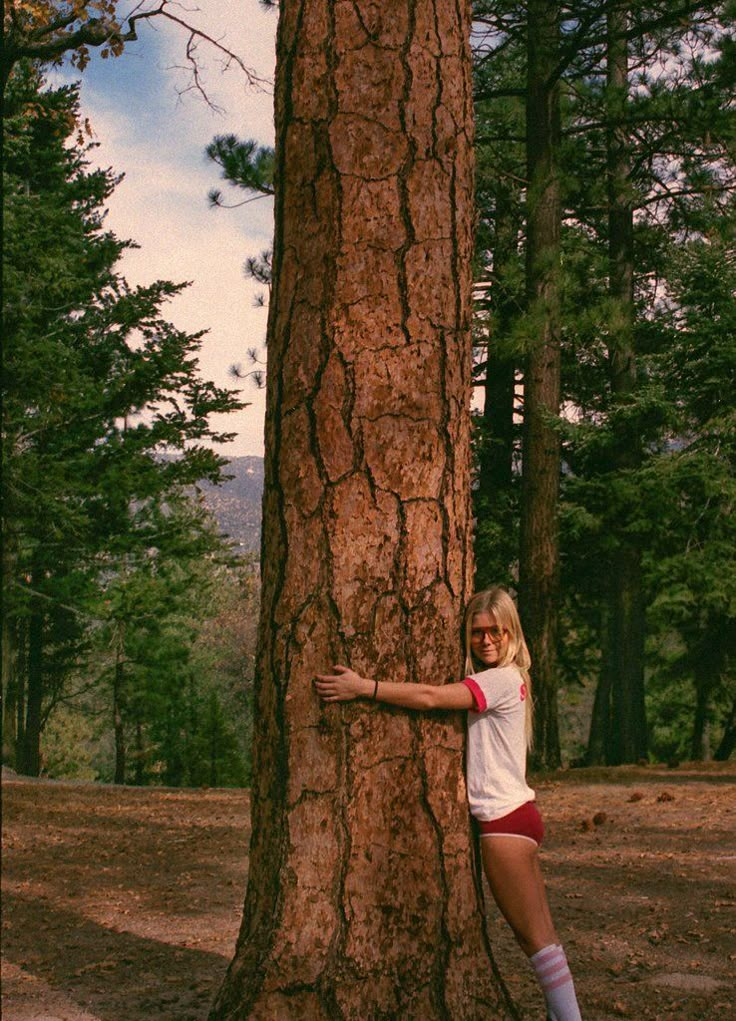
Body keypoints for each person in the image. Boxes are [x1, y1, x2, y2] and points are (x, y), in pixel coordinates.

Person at [315, 586, 583, 1021]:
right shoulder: (511, 679)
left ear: (512, 633)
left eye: (496, 632)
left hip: (504, 824)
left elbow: (432, 698)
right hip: (520, 818)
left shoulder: (498, 679)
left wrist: (362, 687)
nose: (487, 641)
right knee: (542, 936)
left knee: (534, 939)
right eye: (477, 633)